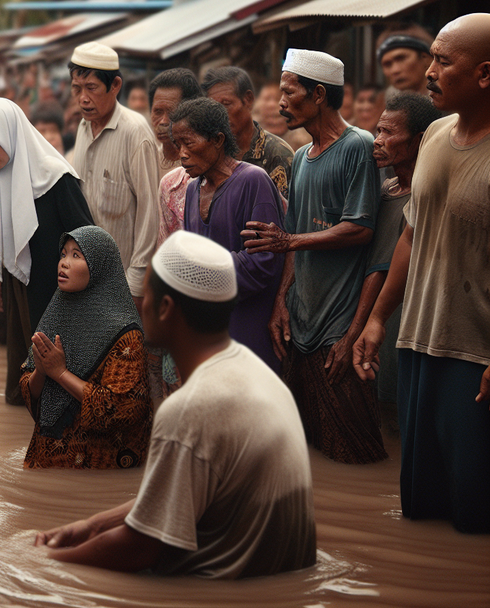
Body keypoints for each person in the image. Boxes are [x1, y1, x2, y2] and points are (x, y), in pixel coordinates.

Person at [34, 231, 315, 579]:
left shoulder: (189, 408)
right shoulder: (257, 373)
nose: (137, 303)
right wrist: (91, 525)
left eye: (146, 293)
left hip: (219, 595)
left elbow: (141, 547)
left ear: (165, 308)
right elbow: (175, 497)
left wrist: (42, 564)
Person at [353, 13, 490, 534]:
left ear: (484, 74)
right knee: (420, 507)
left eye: (443, 60)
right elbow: (412, 234)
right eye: (430, 57)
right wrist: (379, 318)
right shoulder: (433, 134)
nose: (429, 71)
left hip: (474, 357)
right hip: (417, 346)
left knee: (474, 516)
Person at [243, 48, 385, 464]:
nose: (281, 102)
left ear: (319, 94)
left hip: (339, 322)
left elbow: (360, 228)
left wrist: (290, 243)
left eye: (289, 93)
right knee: (307, 447)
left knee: (354, 448)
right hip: (302, 318)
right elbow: (292, 232)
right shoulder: (302, 156)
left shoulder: (358, 146)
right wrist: (281, 302)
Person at [0, 97, 93, 406]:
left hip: (56, 287)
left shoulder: (56, 177)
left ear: (11, 134)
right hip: (18, 280)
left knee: (55, 370)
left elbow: (87, 236)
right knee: (25, 366)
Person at [19, 225, 150, 469]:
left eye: (76, 255)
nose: (64, 263)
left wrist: (60, 374)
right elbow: (29, 390)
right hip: (49, 460)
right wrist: (41, 371)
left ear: (100, 265)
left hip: (98, 467)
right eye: (63, 254)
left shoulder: (126, 333)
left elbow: (123, 409)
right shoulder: (56, 313)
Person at [175, 98, 284, 372]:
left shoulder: (253, 181)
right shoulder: (192, 190)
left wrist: (198, 272)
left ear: (217, 139)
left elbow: (263, 261)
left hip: (247, 326)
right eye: (178, 145)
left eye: (189, 143)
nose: (182, 154)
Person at [350, 93, 440, 424]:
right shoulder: (385, 189)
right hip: (378, 316)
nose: (378, 141)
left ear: (419, 140)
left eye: (389, 133)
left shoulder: (424, 194)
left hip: (403, 316)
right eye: (378, 131)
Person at [66, 42, 159, 299]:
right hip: (86, 280)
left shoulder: (135, 132)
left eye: (92, 88)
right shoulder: (83, 129)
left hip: (123, 285)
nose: (83, 98)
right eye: (77, 88)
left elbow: (149, 214)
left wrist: (135, 284)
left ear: (115, 86)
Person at [202, 66, 294, 198]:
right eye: (213, 107)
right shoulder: (208, 152)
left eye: (226, 104)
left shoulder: (277, 154)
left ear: (248, 100)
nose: (219, 114)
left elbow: (287, 213)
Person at [148, 68, 205, 245]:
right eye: (157, 111)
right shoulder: (145, 159)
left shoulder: (202, 167)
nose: (163, 121)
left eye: (172, 113)